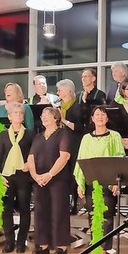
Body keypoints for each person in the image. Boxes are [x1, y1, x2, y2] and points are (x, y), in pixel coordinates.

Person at [74, 106, 126, 254]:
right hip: (92, 181)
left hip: (108, 181)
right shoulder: (86, 138)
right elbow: (81, 160)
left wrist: (117, 181)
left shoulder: (114, 136)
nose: (100, 117)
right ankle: (95, 246)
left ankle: (104, 248)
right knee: (93, 215)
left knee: (107, 216)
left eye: (103, 114)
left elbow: (119, 158)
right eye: (97, 114)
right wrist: (80, 184)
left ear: (107, 118)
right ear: (92, 118)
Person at [28, 107, 72, 254]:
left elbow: (64, 156)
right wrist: (35, 176)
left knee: (58, 211)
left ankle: (61, 245)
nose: (44, 117)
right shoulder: (38, 137)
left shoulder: (63, 134)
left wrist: (50, 174)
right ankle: (43, 244)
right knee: (40, 211)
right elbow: (31, 158)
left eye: (48, 115)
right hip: (39, 179)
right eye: (43, 115)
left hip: (58, 179)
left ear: (56, 118)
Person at [0, 102, 34, 253]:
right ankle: (9, 240)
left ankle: (21, 241)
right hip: (7, 175)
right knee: (7, 209)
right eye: (15, 113)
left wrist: (29, 165)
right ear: (9, 117)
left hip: (23, 175)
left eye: (21, 113)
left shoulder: (30, 134)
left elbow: (33, 154)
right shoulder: (3, 135)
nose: (19, 115)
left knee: (24, 208)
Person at [57, 78, 85, 214]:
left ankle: (73, 203)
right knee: (63, 172)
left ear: (68, 91)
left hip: (74, 143)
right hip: (62, 142)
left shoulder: (76, 107)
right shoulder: (59, 107)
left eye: (59, 90)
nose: (57, 93)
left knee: (73, 172)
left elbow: (80, 128)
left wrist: (64, 120)